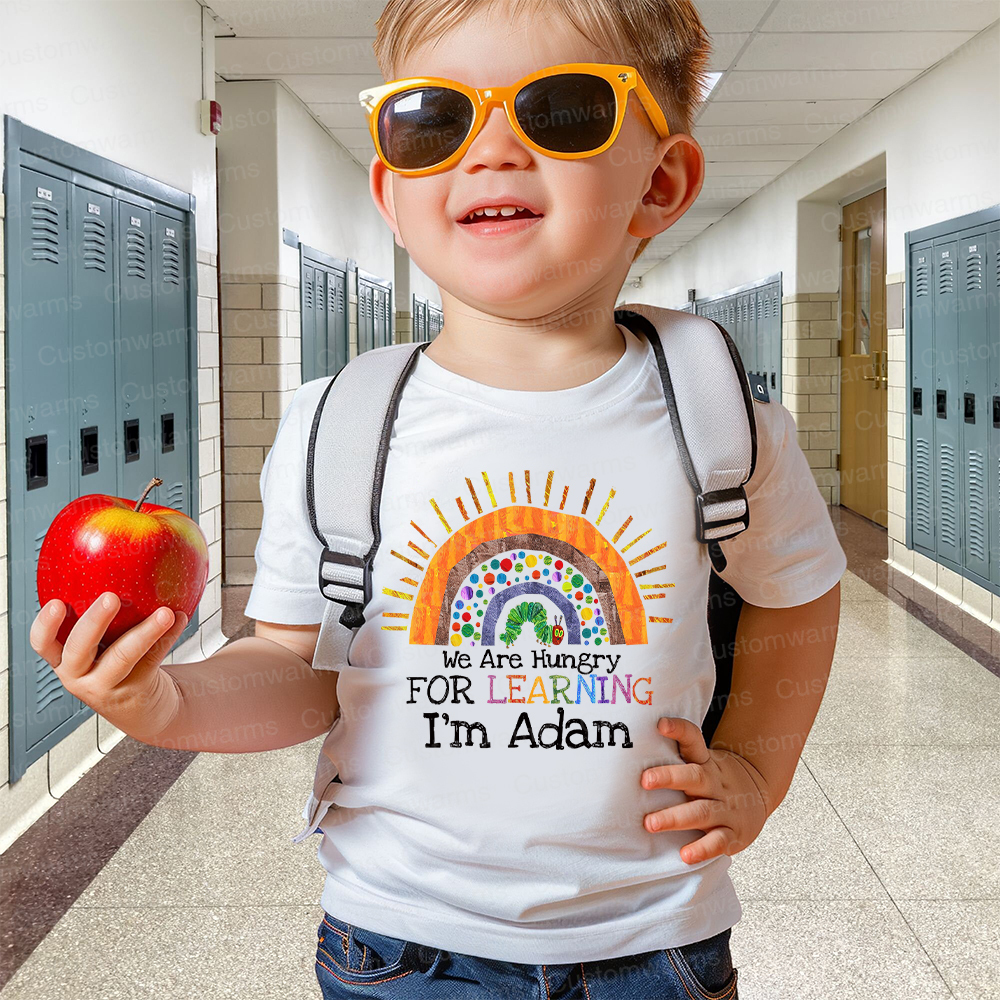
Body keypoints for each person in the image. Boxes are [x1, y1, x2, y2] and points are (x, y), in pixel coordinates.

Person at [31, 1, 847, 996]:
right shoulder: (337, 427)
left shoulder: (719, 420)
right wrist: (166, 703)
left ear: (660, 182)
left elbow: (797, 591)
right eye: (434, 120)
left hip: (655, 937)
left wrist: (756, 768)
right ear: (391, 187)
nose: (491, 148)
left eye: (562, 110)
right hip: (399, 943)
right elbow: (296, 670)